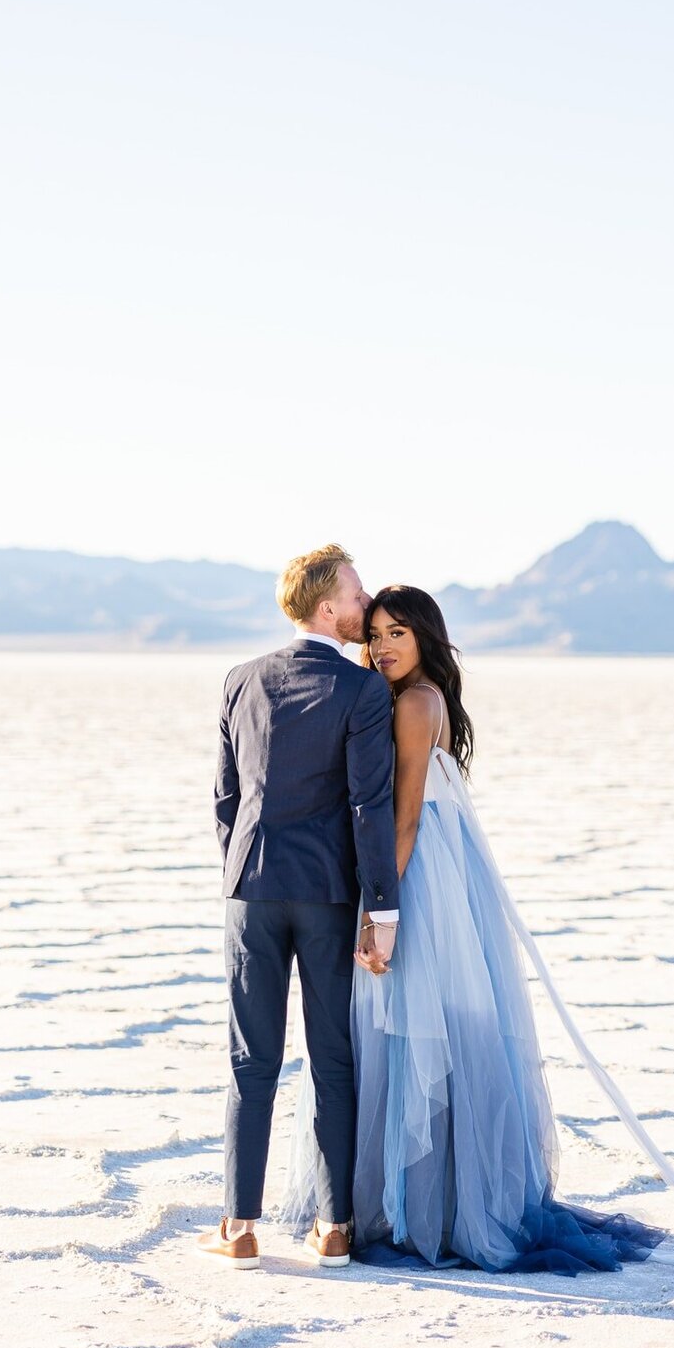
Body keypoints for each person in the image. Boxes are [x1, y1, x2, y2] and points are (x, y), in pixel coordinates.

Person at [283, 583, 664, 1273]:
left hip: (418, 878)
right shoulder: (408, 699)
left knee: (407, 1028)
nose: (383, 646)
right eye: (374, 635)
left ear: (426, 636)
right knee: (412, 1032)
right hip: (433, 871)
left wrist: (378, 910)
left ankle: (420, 1207)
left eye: (398, 633)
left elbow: (400, 818)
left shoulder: (415, 704)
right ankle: (413, 1199)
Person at [197, 545, 400, 1271]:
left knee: (251, 1060)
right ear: (325, 608)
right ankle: (334, 1226)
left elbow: (226, 798)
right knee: (331, 1059)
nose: (365, 604)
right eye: (355, 594)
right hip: (328, 893)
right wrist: (384, 909)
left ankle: (238, 1226)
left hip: (249, 889)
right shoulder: (361, 692)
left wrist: (239, 872)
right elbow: (368, 806)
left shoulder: (238, 680)